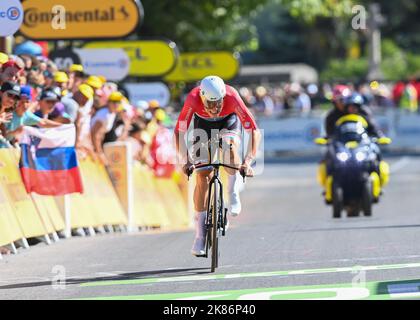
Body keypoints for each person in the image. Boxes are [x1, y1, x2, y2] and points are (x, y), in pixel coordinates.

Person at [174, 75, 261, 256]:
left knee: (229, 146)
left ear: (223, 97)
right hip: (202, 126)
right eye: (210, 103)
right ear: (202, 97)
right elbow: (179, 131)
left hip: (228, 122)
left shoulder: (232, 97)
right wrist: (185, 159)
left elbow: (253, 130)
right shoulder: (192, 98)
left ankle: (232, 192)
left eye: (217, 103)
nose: (214, 108)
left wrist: (248, 161)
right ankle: (199, 235)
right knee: (202, 175)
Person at [90, 91, 124, 165]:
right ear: (109, 102)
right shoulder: (104, 114)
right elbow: (95, 134)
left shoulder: (112, 113)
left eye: (118, 102)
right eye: (114, 101)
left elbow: (100, 135)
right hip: (89, 142)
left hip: (93, 142)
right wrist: (99, 152)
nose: (116, 104)